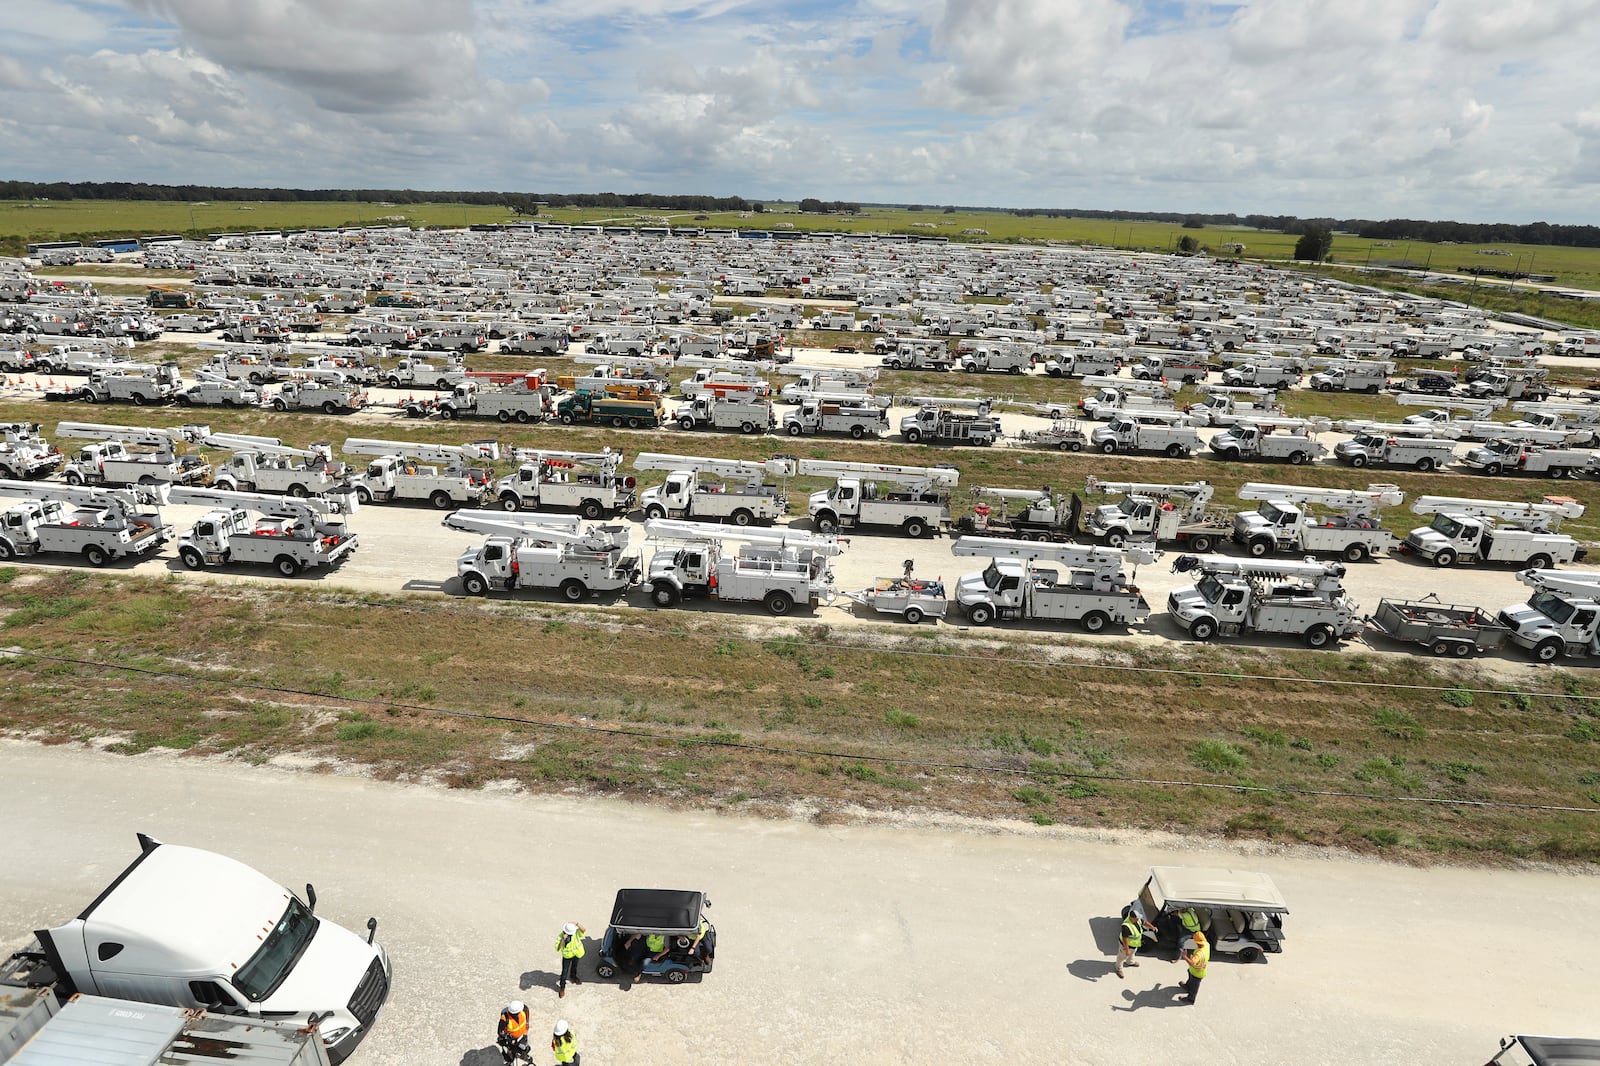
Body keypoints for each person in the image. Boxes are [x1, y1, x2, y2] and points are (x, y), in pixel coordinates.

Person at [1115, 911, 1157, 978]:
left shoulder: (1137, 920)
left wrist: (1152, 927)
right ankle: (1118, 968)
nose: (1138, 919)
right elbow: (1125, 939)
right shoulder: (1126, 926)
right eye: (1137, 918)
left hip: (1134, 944)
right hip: (1126, 945)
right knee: (1121, 957)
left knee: (1132, 953)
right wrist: (1127, 949)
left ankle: (1130, 962)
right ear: (1132, 918)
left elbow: (1144, 922)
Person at [1174, 931, 1209, 1004]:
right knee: (1190, 979)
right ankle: (1187, 987)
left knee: (1194, 986)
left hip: (1197, 973)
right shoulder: (1207, 945)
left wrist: (1185, 956)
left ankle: (1191, 999)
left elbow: (1192, 962)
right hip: (1194, 970)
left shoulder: (1199, 954)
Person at [554, 921, 586, 999]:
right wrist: (562, 940)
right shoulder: (560, 936)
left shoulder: (575, 933)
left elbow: (584, 930)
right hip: (567, 956)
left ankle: (573, 976)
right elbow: (558, 948)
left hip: (576, 953)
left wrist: (577, 924)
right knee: (564, 972)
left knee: (575, 966)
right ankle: (562, 988)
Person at [496, 1001, 531, 1065]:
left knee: (523, 1048)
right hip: (512, 1040)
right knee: (511, 1052)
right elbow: (500, 1032)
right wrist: (509, 1038)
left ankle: (523, 1056)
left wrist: (527, 1023)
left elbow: (527, 1012)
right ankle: (509, 1061)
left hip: (522, 1036)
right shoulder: (505, 1018)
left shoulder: (523, 1009)